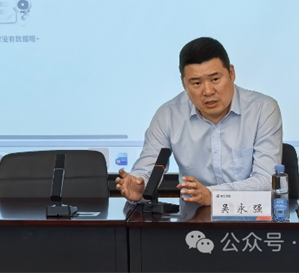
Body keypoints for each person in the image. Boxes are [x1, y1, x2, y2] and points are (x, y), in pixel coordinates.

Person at [116, 37, 282, 206]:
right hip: (193, 215)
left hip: (250, 214)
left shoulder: (263, 109)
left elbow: (267, 181)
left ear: (231, 73)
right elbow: (146, 170)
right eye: (196, 83)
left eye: (215, 79)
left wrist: (213, 196)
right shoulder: (168, 115)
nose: (208, 91)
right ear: (184, 84)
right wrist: (140, 186)